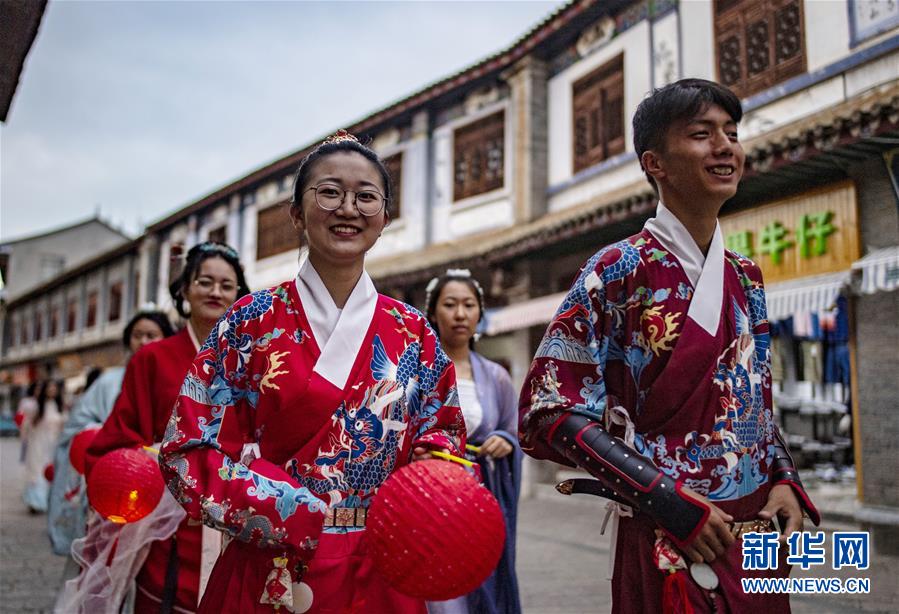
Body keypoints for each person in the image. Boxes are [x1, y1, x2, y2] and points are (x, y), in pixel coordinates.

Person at [518, 79, 820, 613]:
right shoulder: (615, 271)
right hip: (671, 536)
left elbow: (755, 399)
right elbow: (547, 410)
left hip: (756, 540)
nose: (725, 146)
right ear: (654, 162)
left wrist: (783, 478)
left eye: (731, 133)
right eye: (702, 134)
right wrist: (663, 497)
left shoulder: (746, 276)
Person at [159, 131, 465, 614]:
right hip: (272, 560)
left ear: (385, 218)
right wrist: (285, 509)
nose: (348, 208)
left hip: (383, 564)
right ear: (297, 213)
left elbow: (443, 434)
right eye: (329, 192)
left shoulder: (414, 332)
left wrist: (425, 496)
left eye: (366, 197)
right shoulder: (251, 321)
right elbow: (186, 451)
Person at [83, 242, 250, 613]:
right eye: (204, 281)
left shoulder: (254, 361)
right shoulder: (152, 359)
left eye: (227, 285)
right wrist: (156, 464)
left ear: (240, 294)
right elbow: (117, 439)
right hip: (169, 528)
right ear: (185, 289)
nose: (215, 292)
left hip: (233, 522)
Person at [424, 269, 522, 614]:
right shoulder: (419, 372)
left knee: (480, 588)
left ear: (481, 312)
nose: (460, 314)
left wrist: (505, 441)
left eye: (469, 305)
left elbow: (514, 431)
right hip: (429, 503)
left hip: (479, 503)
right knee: (439, 596)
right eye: (450, 304)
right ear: (433, 312)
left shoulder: (496, 377)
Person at [47, 309, 175, 556]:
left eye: (152, 335)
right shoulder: (108, 381)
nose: (144, 341)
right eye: (138, 335)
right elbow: (78, 423)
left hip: (156, 480)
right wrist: (103, 435)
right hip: (113, 472)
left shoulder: (172, 377)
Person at [20, 378, 66, 513]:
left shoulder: (60, 407)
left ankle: (48, 501)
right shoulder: (36, 407)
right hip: (37, 445)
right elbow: (26, 426)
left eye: (54, 388)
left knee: (51, 471)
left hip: (54, 445)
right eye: (49, 387)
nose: (52, 390)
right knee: (37, 472)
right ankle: (35, 502)